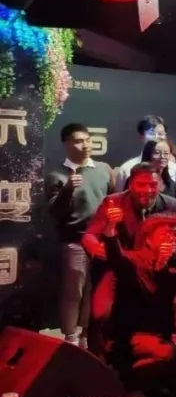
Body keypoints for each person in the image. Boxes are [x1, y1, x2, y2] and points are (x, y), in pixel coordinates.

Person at [93, 212, 176, 397]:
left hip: (161, 335)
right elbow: (115, 256)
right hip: (130, 337)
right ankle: (127, 380)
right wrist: (111, 228)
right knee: (170, 355)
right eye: (165, 234)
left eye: (175, 234)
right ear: (148, 240)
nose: (171, 239)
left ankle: (141, 383)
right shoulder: (133, 261)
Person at [46, 123, 114, 346]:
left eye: (87, 140)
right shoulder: (57, 175)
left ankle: (86, 333)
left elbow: (112, 201)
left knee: (94, 288)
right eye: (78, 141)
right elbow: (55, 212)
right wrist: (67, 189)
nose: (85, 145)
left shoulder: (104, 169)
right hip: (74, 240)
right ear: (66, 144)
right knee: (73, 289)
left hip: (100, 241)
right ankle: (70, 336)